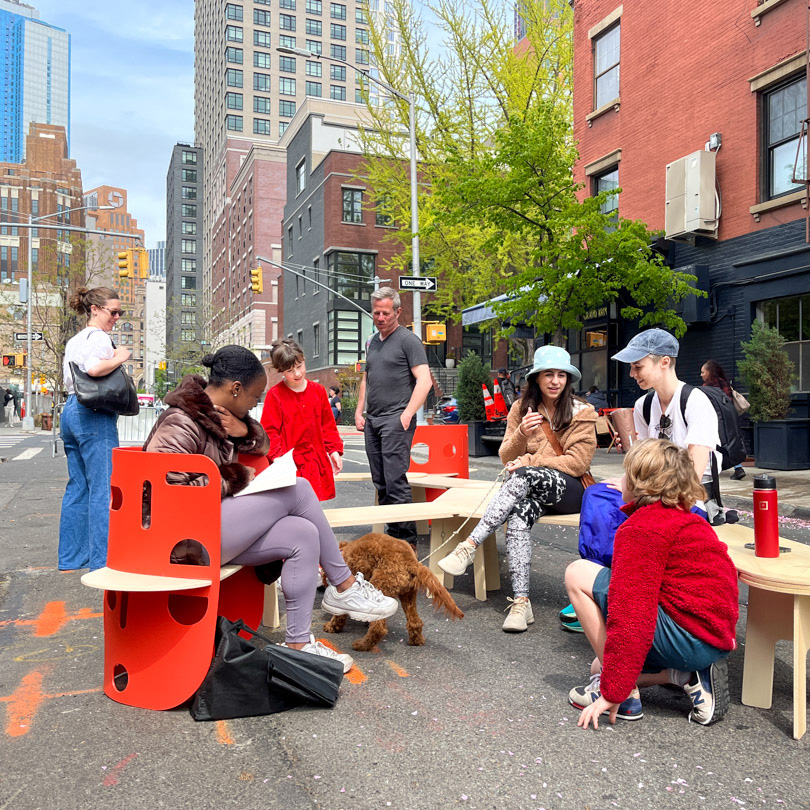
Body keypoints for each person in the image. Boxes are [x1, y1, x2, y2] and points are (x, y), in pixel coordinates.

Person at [144, 345, 398, 673]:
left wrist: (245, 431)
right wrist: (238, 481)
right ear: (235, 389)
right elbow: (168, 491)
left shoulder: (222, 417)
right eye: (253, 396)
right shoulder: (180, 420)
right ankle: (343, 585)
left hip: (206, 529)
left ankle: (298, 644)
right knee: (300, 487)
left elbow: (262, 443)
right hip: (179, 542)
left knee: (303, 534)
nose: (255, 403)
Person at [565, 439, 738, 728]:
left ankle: (627, 697)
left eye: (625, 474)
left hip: (687, 638)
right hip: (713, 637)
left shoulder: (641, 529)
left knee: (577, 572)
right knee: (599, 664)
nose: (619, 480)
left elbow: (632, 614)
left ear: (639, 485)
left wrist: (614, 690)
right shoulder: (689, 520)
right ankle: (685, 676)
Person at [558, 328, 722, 633]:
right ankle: (599, 578)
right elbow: (643, 463)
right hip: (651, 489)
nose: (633, 374)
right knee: (595, 495)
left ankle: (616, 588)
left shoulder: (696, 402)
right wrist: (629, 463)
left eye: (638, 366)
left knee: (630, 512)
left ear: (664, 363)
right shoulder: (646, 406)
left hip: (687, 497)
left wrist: (642, 494)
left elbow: (694, 475)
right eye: (631, 368)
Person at [438, 345, 597, 632]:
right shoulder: (520, 409)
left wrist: (531, 461)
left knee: (522, 476)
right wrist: (522, 433)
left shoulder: (582, 412)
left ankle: (469, 546)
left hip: (571, 490)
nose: (555, 381)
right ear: (536, 378)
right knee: (518, 516)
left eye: (561, 375)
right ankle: (522, 603)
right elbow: (505, 456)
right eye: (548, 374)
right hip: (533, 487)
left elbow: (577, 462)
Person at [58, 287, 131, 571]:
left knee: (78, 487)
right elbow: (93, 369)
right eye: (113, 311)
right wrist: (120, 356)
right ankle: (102, 561)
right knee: (103, 488)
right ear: (95, 309)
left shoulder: (75, 339)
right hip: (94, 413)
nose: (116, 317)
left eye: (119, 312)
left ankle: (72, 557)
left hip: (71, 410)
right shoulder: (99, 336)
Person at [354, 287, 432, 550]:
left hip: (395, 419)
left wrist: (407, 414)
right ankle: (391, 539)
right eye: (376, 312)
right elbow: (367, 378)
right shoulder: (371, 342)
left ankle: (407, 545)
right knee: (381, 481)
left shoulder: (408, 340)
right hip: (373, 420)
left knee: (395, 480)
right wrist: (359, 411)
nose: (380, 317)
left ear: (398, 311)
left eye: (385, 312)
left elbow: (425, 381)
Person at [261, 339, 344, 501]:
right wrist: (278, 459)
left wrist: (333, 450)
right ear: (281, 371)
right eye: (290, 370)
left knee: (313, 505)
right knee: (292, 508)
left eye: (299, 367)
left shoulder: (319, 391)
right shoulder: (275, 395)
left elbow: (328, 426)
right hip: (289, 463)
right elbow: (270, 431)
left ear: (304, 360)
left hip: (315, 460)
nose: (297, 374)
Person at [701, 360, 745, 480]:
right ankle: (737, 467)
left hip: (715, 419)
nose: (701, 375)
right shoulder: (723, 383)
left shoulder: (706, 388)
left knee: (714, 443)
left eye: (703, 372)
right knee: (730, 441)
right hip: (729, 417)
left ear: (709, 372)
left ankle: (713, 467)